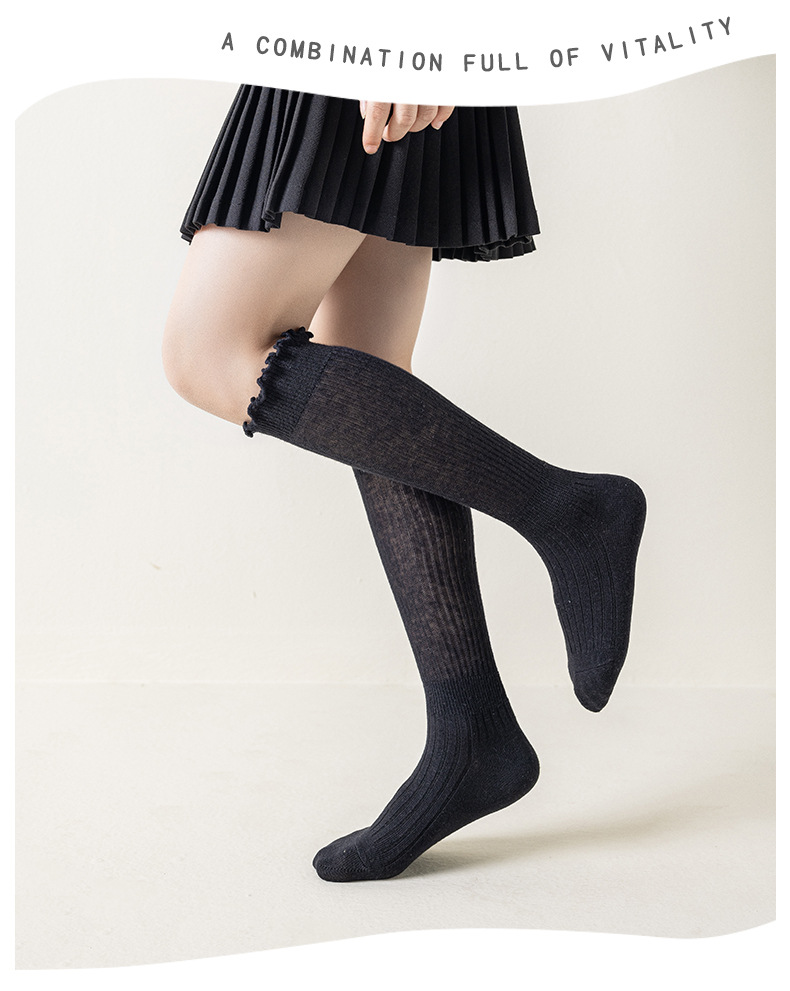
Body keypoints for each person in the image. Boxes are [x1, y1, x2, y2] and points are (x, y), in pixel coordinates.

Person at [162, 85, 647, 882]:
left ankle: (568, 511)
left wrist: (409, 35)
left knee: (208, 352)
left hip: (369, 48)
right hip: (373, 50)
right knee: (369, 371)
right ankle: (469, 727)